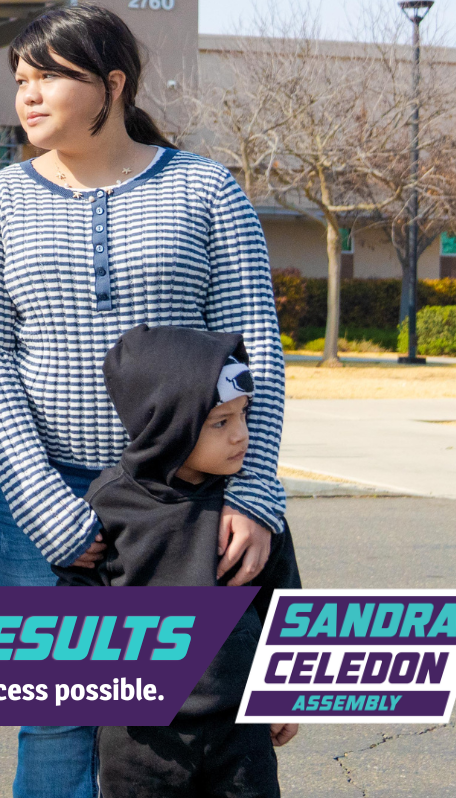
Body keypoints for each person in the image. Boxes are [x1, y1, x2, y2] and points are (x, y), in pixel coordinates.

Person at [0, 4, 288, 798]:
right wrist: (45, 506)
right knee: (60, 709)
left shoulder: (204, 189)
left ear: (112, 84)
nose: (28, 97)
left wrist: (255, 491)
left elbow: (255, 348)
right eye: (20, 80)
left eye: (50, 78)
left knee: (190, 710)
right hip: (47, 489)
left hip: (187, 497)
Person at [56, 325, 300, 798]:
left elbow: (283, 598)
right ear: (169, 421)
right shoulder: (111, 504)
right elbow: (78, 603)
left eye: (243, 416)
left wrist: (284, 694)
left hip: (239, 730)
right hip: (141, 740)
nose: (242, 436)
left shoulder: (248, 509)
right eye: (220, 423)